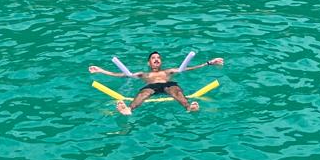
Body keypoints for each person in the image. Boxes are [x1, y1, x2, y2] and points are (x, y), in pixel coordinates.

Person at [89, 51, 224, 115]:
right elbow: (123, 74)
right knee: (143, 93)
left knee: (176, 90)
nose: (156, 59)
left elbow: (187, 68)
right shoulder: (144, 74)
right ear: (149, 63)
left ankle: (189, 107)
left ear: (161, 62)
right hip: (151, 86)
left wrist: (209, 63)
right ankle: (129, 109)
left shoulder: (168, 71)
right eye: (153, 58)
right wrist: (101, 71)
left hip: (167, 84)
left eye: (158, 58)